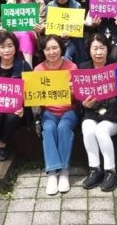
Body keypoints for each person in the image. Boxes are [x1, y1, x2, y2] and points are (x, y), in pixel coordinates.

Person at [35, 35, 79, 195]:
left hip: (69, 110)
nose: (51, 52)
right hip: (49, 111)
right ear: (43, 51)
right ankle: (52, 173)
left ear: (61, 48)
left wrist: (71, 90)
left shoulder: (71, 67)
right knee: (48, 128)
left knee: (63, 127)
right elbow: (35, 95)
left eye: (55, 48)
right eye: (47, 49)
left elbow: (78, 95)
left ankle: (64, 172)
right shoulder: (38, 69)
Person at [79, 34, 117, 192]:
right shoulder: (83, 68)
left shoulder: (116, 68)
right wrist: (83, 103)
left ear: (107, 49)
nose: (98, 52)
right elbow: (80, 96)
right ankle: (94, 169)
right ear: (89, 50)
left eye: (102, 48)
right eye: (95, 48)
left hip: (113, 116)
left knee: (101, 130)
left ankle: (111, 171)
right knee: (88, 128)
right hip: (92, 113)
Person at [0, 31, 32, 162]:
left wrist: (23, 106)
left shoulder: (24, 66)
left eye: (10, 46)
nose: (6, 50)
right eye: (2, 47)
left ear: (15, 47)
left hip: (17, 109)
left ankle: (2, 145)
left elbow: (30, 92)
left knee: (12, 116)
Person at [3, 0, 46, 66]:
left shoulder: (39, 2)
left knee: (25, 34)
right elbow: (4, 23)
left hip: (32, 35)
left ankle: (28, 66)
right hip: (13, 36)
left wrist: (41, 28)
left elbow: (42, 21)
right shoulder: (11, 2)